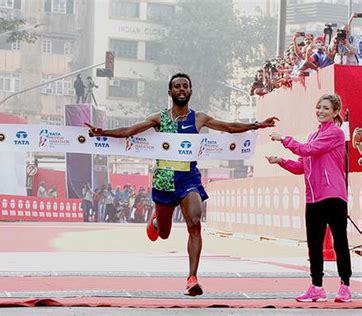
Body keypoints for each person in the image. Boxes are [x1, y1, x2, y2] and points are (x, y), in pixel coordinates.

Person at [85, 73, 279, 296]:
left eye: (185, 86)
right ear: (170, 92)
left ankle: (192, 278)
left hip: (189, 179)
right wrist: (103, 132)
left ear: (190, 91)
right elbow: (129, 131)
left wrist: (257, 125)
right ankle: (157, 221)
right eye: (176, 86)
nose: (181, 89)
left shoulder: (199, 118)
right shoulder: (159, 118)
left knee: (195, 222)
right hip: (165, 180)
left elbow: (229, 127)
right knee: (164, 234)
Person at [267, 94, 352, 303]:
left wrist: (283, 139)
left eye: (325, 108)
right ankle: (317, 287)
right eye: (318, 107)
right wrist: (280, 161)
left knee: (340, 242)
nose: (320, 111)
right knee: (314, 244)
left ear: (334, 113)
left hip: (333, 195)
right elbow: (302, 165)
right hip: (313, 197)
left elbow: (309, 150)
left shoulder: (336, 134)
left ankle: (345, 287)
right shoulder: (314, 135)